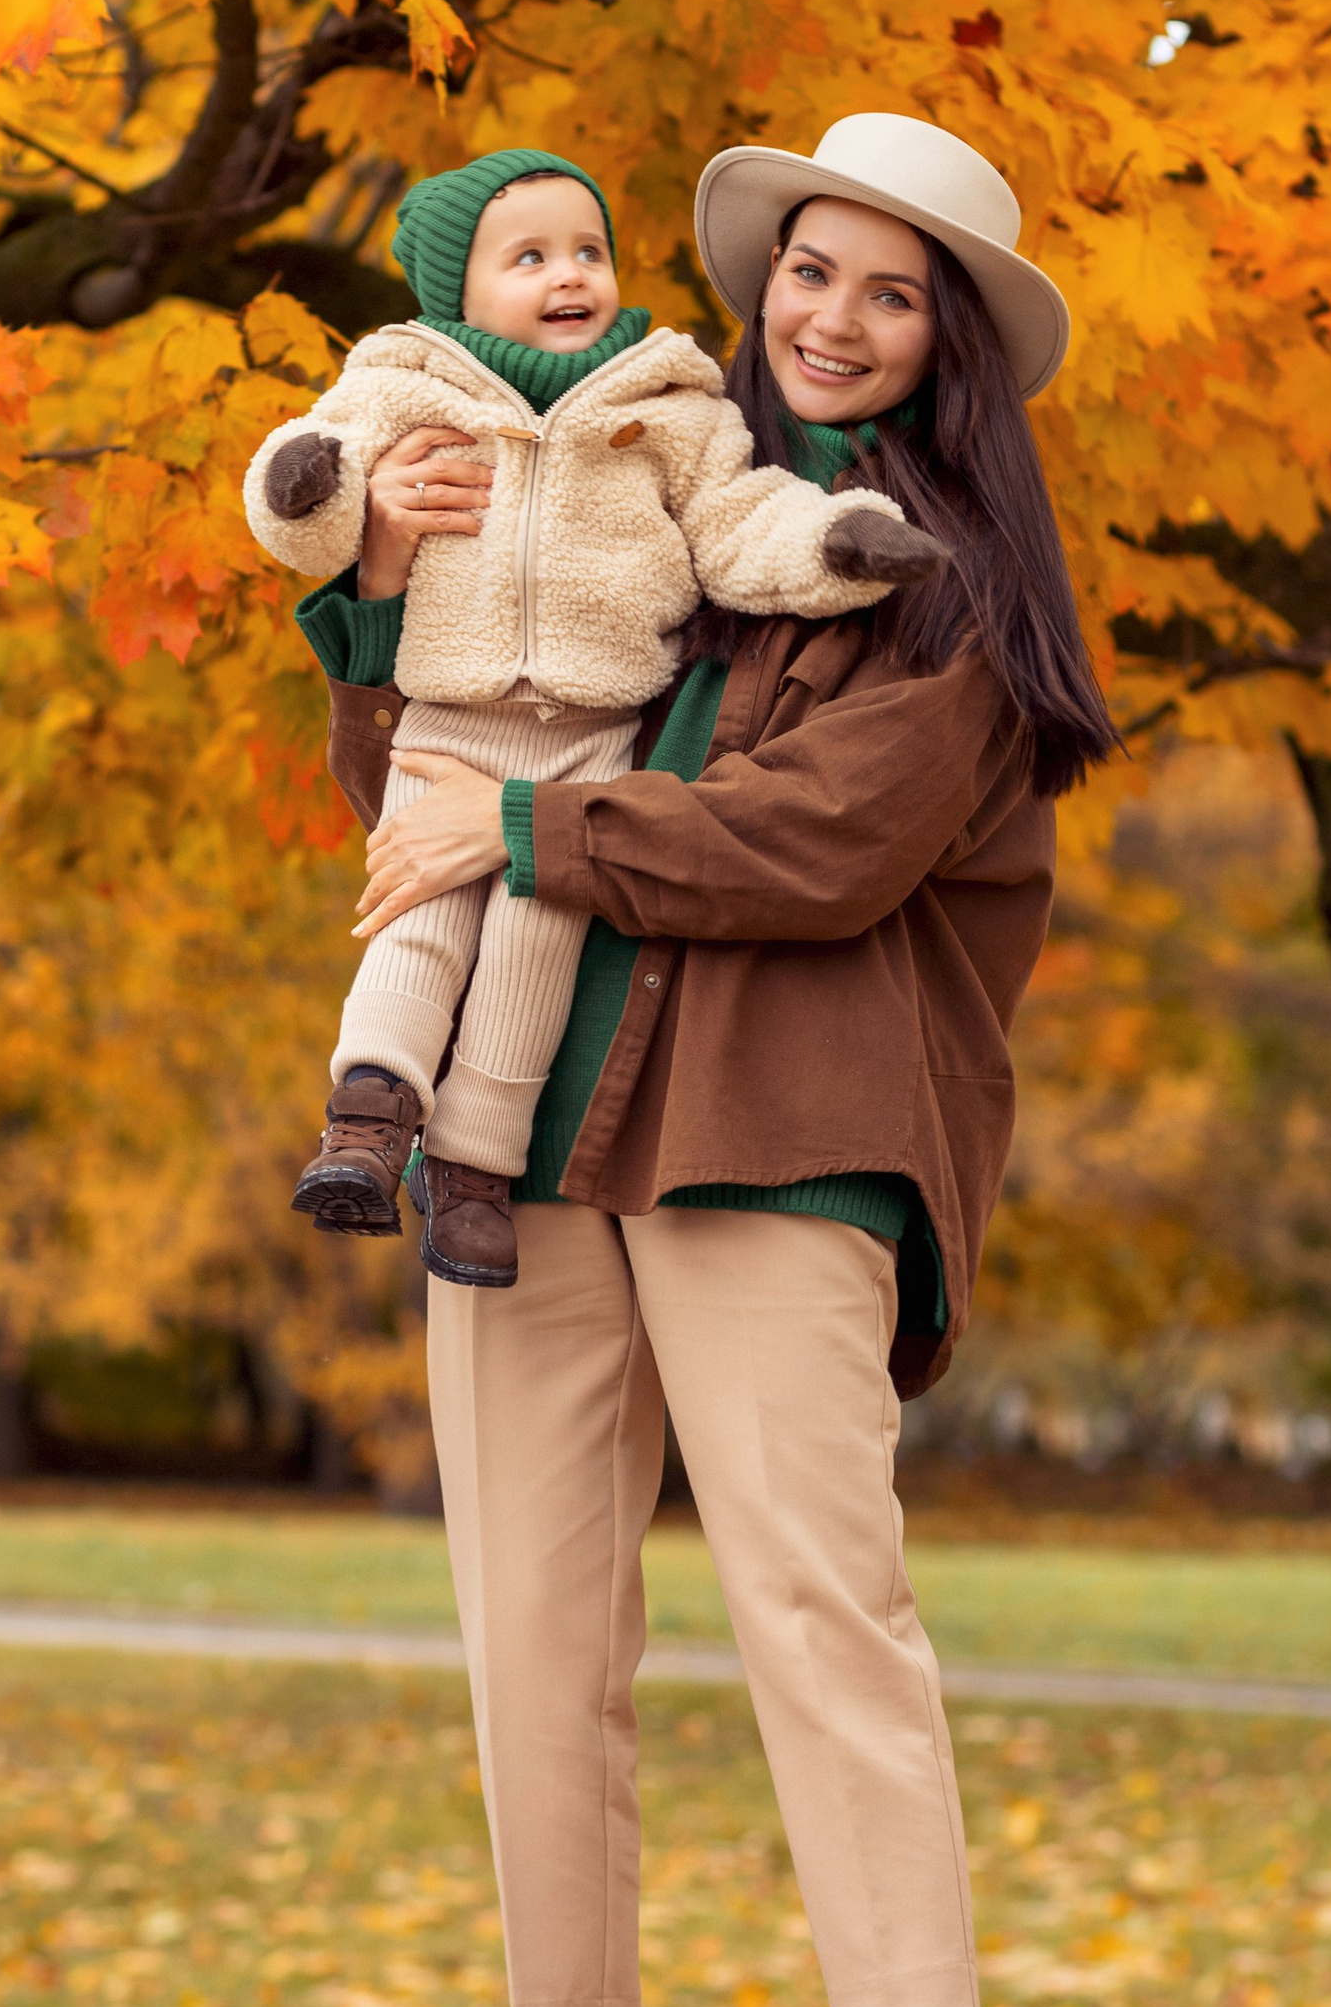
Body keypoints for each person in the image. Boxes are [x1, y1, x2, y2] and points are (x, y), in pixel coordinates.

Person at [292, 112, 1115, 2007]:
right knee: (529, 1644)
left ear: (948, 348)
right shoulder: (641, 484)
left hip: (786, 1130)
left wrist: (530, 824)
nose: (828, 318)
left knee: (819, 1624)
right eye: (807, 274)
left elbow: (813, 842)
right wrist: (377, 578)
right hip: (516, 1133)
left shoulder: (912, 574)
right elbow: (425, 775)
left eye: (888, 291)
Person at [244, 147, 939, 1288]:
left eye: (588, 252)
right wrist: (343, 518)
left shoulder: (665, 402)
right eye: (529, 257)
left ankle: (470, 1174)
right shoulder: (405, 385)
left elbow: (741, 523)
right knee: (419, 917)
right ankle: (367, 1120)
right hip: (446, 708)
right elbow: (308, 466)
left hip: (587, 748)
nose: (571, 275)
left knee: (527, 950)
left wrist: (842, 540)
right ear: (453, 293)